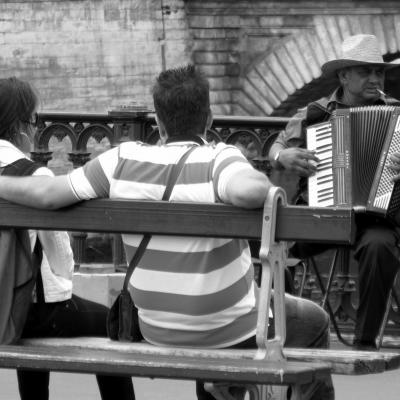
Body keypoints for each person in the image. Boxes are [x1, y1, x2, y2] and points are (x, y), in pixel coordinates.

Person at [0, 66, 334, 400]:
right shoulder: (221, 158)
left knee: (216, 315)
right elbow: (251, 193)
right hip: (230, 329)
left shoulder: (120, 159)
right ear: (209, 120)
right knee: (314, 321)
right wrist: (260, 175)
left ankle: (222, 384)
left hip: (156, 327)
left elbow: (46, 195)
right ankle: (226, 384)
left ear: (158, 121)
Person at [0, 77, 135, 400]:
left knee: (29, 303)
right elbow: (60, 266)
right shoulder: (35, 177)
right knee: (109, 322)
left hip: (8, 307)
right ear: (20, 125)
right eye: (34, 121)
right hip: (19, 311)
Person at [268, 33, 400, 349]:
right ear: (343, 75)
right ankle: (282, 330)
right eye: (365, 71)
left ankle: (364, 344)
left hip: (376, 218)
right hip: (323, 213)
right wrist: (281, 156)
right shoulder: (315, 113)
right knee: (272, 243)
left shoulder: (396, 113)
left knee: (381, 248)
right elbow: (278, 146)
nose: (374, 78)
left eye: (378, 72)